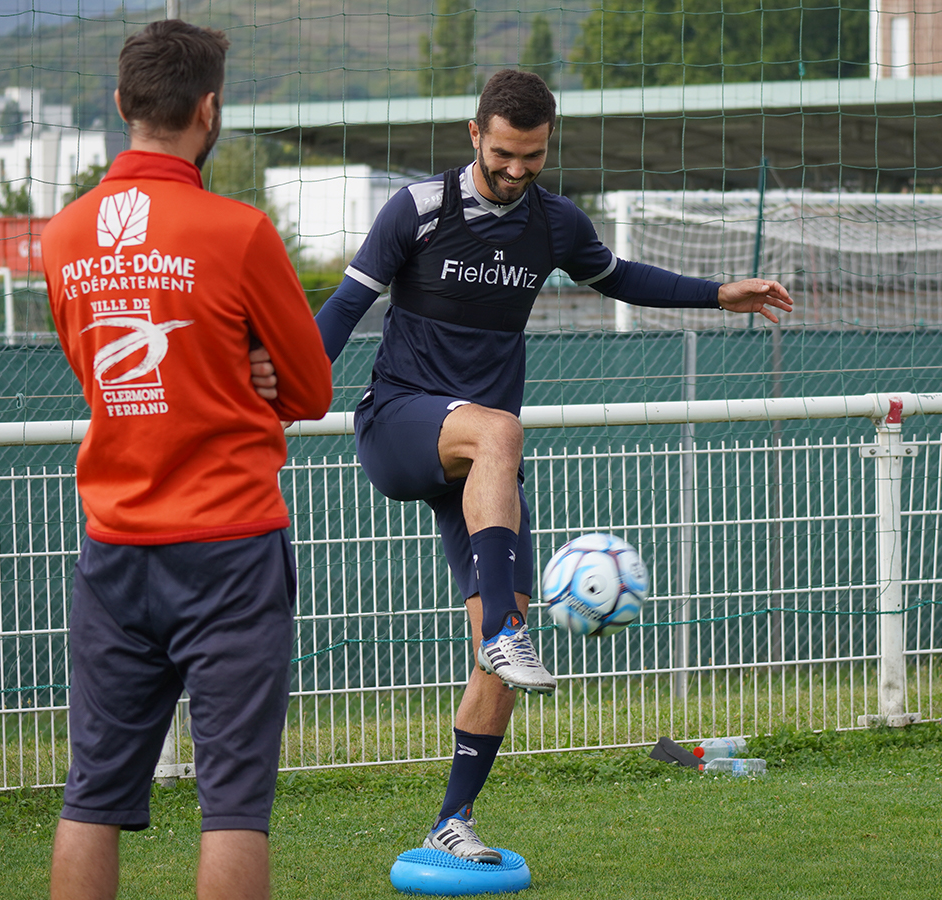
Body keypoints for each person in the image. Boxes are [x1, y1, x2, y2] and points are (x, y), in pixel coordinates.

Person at [312, 69, 793, 862]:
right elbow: (341, 310)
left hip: (481, 467)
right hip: (400, 424)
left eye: (532, 155)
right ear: (475, 136)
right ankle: (502, 631)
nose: (516, 168)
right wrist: (277, 397)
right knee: (502, 434)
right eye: (503, 152)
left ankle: (452, 818)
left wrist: (718, 294)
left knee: (504, 660)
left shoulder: (555, 222)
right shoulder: (417, 210)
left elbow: (622, 278)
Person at [41, 20, 332, 900]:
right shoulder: (238, 232)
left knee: (91, 795)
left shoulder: (61, 238)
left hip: (116, 545)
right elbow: (312, 389)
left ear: (124, 102)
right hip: (230, 548)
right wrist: (246, 369)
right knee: (233, 804)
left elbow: (101, 374)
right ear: (209, 111)